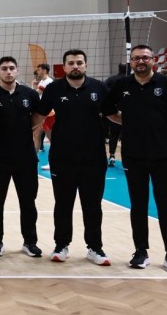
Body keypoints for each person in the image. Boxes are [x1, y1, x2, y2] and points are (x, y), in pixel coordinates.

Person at [102, 45, 167, 273]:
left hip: (164, 155)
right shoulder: (122, 85)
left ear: (153, 60)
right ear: (130, 62)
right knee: (138, 205)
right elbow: (108, 111)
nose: (140, 61)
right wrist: (129, 122)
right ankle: (141, 251)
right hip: (133, 155)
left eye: (145, 58)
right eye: (136, 58)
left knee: (166, 205)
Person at [32, 49, 110, 266]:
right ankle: (61, 245)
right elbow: (39, 115)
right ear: (64, 67)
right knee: (63, 204)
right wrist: (19, 131)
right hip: (62, 157)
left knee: (92, 205)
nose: (75, 66)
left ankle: (95, 247)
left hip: (93, 157)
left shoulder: (99, 88)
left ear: (86, 65)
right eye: (71, 63)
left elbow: (113, 114)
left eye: (79, 62)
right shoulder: (54, 89)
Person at [0, 56, 41, 258]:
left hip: (26, 158)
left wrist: (25, 132)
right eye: (4, 68)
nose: (8, 72)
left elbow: (38, 118)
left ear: (17, 71)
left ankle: (30, 241)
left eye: (11, 68)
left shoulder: (29, 94)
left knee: (28, 202)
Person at [103, 63, 129, 167]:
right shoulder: (131, 79)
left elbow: (104, 93)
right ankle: (126, 158)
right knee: (127, 136)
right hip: (128, 112)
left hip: (115, 112)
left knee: (113, 134)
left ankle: (112, 155)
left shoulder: (111, 79)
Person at [32, 63, 54, 156]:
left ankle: (54, 160)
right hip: (42, 112)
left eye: (39, 69)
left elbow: (37, 93)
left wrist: (32, 85)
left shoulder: (48, 81)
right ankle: (33, 159)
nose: (37, 71)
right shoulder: (42, 81)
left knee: (50, 137)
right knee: (36, 135)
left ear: (44, 70)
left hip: (49, 113)